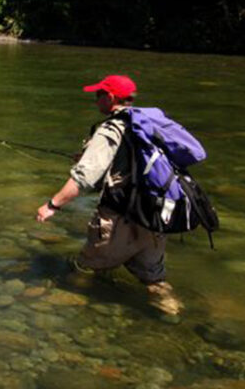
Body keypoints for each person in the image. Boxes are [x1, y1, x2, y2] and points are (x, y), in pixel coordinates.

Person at [34, 74, 184, 320]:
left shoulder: (109, 130)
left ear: (111, 97)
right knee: (155, 280)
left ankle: (69, 309)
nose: (96, 101)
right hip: (154, 217)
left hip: (118, 220)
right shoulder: (147, 123)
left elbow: (84, 178)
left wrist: (52, 205)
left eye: (98, 95)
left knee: (84, 268)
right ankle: (173, 315)